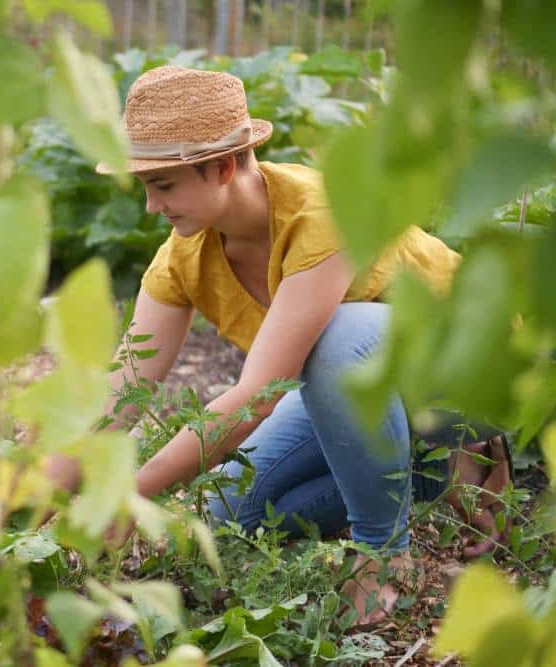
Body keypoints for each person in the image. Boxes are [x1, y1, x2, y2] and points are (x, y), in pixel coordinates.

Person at [45, 66, 512, 625]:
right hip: (366, 397)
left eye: (163, 185)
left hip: (471, 370)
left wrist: (133, 493)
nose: (151, 206)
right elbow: (125, 390)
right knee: (223, 512)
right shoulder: (183, 256)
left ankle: (383, 555)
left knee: (334, 340)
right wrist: (22, 499)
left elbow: (257, 396)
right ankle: (434, 476)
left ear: (220, 167)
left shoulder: (319, 213)